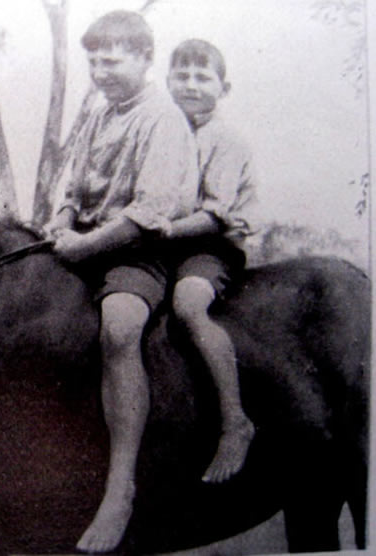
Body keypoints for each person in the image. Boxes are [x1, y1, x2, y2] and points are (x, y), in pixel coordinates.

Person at [42, 10, 198, 553]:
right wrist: (62, 217)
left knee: (120, 326)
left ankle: (120, 487)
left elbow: (149, 211)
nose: (101, 69)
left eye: (113, 59)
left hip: (139, 249)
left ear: (143, 59)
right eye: (94, 59)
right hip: (85, 240)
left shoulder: (163, 118)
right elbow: (72, 183)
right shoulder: (99, 113)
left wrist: (83, 245)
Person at [164, 38, 257, 483]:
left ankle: (235, 420)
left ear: (225, 87)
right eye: (181, 76)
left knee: (187, 303)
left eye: (203, 77)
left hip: (214, 243)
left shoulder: (225, 139)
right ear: (167, 82)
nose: (191, 85)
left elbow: (215, 213)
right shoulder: (166, 131)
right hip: (168, 243)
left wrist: (160, 228)